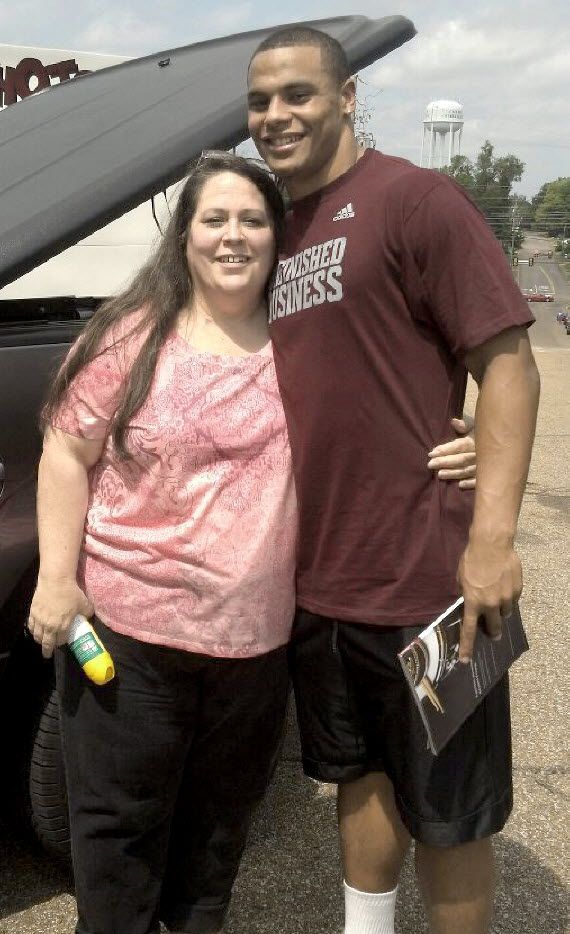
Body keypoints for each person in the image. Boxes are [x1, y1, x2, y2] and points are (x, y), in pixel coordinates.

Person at [27, 148, 476, 934]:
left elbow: (387, 409)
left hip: (257, 653)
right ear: (184, 235)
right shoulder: (128, 338)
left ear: (277, 238)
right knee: (118, 844)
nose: (232, 237)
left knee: (214, 849)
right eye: (214, 220)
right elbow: (66, 450)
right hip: (131, 643)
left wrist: (473, 439)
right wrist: (56, 581)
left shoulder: (308, 342)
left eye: (252, 220)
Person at [247, 26, 540, 934]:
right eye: (260, 101)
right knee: (358, 776)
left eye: (298, 94)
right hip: (323, 583)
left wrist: (490, 541)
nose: (275, 115)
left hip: (431, 581)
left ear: (346, 98)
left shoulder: (416, 200)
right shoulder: (272, 229)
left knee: (449, 810)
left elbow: (510, 363)